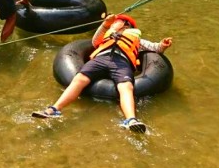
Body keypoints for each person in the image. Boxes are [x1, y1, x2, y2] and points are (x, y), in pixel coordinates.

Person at [31, 13, 173, 133]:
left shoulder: (137, 39)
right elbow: (94, 41)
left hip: (121, 62)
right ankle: (53, 110)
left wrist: (163, 45)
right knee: (79, 78)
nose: (115, 22)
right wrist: (106, 25)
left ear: (127, 25)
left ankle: (130, 120)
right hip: (101, 59)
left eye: (118, 21)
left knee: (126, 87)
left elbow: (155, 48)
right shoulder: (107, 33)